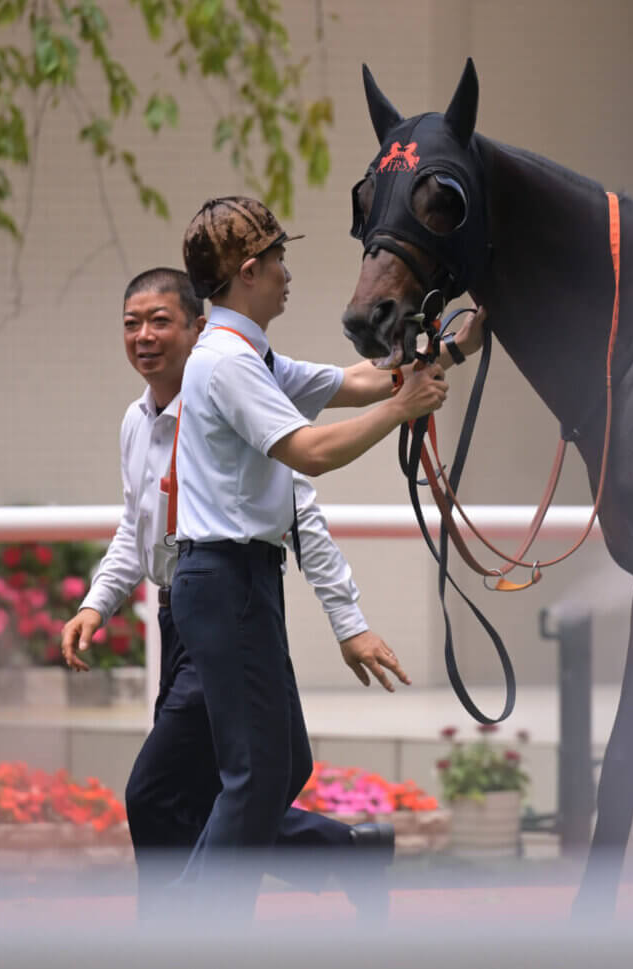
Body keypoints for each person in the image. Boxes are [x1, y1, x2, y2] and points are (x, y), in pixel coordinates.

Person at [59, 266, 446, 918]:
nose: (145, 336)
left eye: (160, 321)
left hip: (222, 609)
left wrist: (349, 620)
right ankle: (343, 852)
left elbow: (306, 517)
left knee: (162, 792)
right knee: (230, 781)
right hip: (183, 620)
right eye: (133, 323)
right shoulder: (138, 420)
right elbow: (137, 525)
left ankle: (176, 927)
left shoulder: (239, 389)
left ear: (197, 327)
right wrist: (98, 600)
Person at [164, 195, 455, 917]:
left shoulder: (247, 352)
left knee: (279, 764)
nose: (290, 274)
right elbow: (309, 451)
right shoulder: (228, 361)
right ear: (252, 270)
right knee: (256, 775)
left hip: (238, 579)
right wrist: (401, 409)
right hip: (227, 578)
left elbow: (350, 381)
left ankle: (190, 919)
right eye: (281, 260)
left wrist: (445, 350)